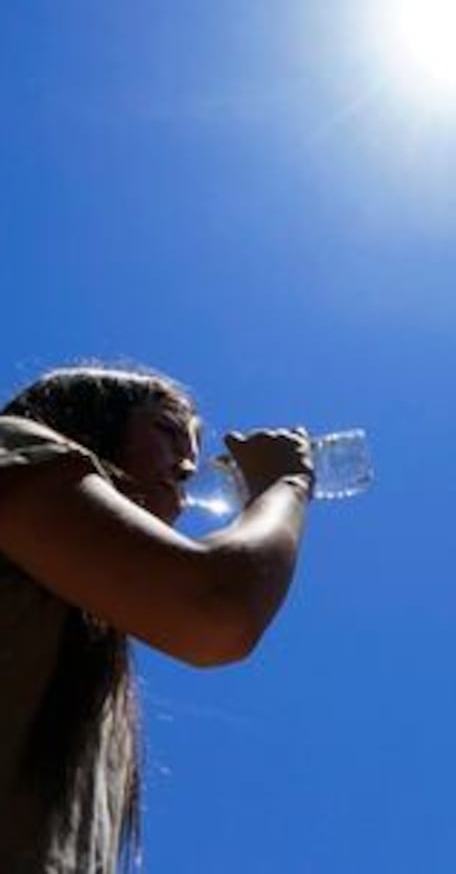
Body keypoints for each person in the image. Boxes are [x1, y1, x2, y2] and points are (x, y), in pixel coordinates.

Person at [0, 363, 316, 873]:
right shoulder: (13, 447)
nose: (188, 466)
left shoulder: (87, 636)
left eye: (192, 448)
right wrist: (287, 483)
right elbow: (218, 606)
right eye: (168, 432)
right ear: (87, 424)